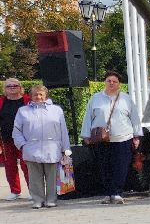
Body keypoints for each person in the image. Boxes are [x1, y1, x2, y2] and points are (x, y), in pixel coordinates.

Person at [81, 70, 141, 205]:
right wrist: (86, 135)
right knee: (104, 166)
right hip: (101, 139)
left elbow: (135, 118)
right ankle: (108, 193)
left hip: (122, 137)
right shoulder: (95, 98)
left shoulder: (126, 98)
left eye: (115, 81)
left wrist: (137, 135)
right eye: (109, 81)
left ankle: (117, 193)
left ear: (119, 84)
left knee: (120, 166)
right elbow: (88, 117)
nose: (111, 83)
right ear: (105, 82)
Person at [11, 84, 70, 209]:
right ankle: (37, 200)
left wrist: (66, 148)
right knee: (34, 178)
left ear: (45, 95)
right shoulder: (23, 111)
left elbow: (63, 130)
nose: (38, 97)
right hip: (31, 148)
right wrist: (22, 145)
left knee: (52, 177)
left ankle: (51, 199)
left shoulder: (56, 110)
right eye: (35, 94)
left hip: (52, 149)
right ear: (31, 96)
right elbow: (16, 131)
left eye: (41, 94)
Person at [1, 78, 28, 200]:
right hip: (6, 139)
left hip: (25, 139)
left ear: (20, 87)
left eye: (15, 85)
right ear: (4, 89)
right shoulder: (1, 101)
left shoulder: (27, 100)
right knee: (9, 165)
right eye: (8, 86)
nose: (12, 87)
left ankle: (34, 191)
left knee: (26, 164)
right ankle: (15, 191)